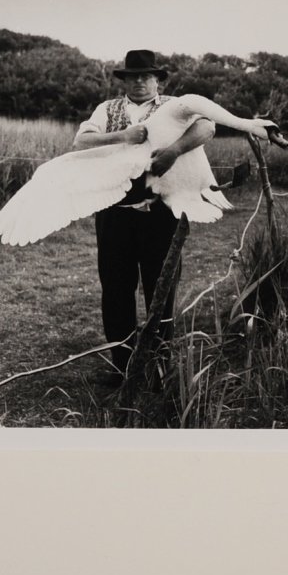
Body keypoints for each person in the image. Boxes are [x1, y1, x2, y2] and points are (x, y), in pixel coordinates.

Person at [72, 49, 216, 387]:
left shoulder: (174, 107)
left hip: (162, 212)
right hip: (115, 212)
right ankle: (122, 366)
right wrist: (122, 136)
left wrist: (174, 151)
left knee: (160, 288)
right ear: (123, 80)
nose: (138, 82)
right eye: (131, 77)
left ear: (158, 80)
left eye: (145, 76)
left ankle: (158, 366)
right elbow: (81, 141)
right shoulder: (107, 109)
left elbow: (207, 126)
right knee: (116, 289)